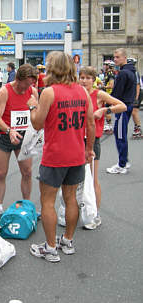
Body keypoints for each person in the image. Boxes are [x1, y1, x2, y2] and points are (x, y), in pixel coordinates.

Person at [28, 51, 95, 262]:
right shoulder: (83, 92)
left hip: (55, 155)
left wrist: (32, 105)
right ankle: (67, 241)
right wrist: (88, 149)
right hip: (76, 153)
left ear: (53, 68)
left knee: (47, 201)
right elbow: (91, 123)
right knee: (71, 198)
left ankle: (50, 247)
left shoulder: (49, 92)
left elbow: (37, 123)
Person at [79, 66, 126, 229]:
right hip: (76, 140)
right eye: (81, 77)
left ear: (94, 79)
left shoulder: (98, 94)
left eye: (87, 78)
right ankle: (74, 212)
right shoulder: (78, 92)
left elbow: (122, 106)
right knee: (74, 179)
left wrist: (104, 109)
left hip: (92, 140)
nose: (84, 81)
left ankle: (95, 213)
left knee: (92, 179)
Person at [0, 64, 38, 221]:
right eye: (26, 83)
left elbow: (36, 116)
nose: (28, 87)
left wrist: (34, 106)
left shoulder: (32, 92)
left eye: (31, 84)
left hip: (24, 136)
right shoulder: (5, 91)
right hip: (5, 135)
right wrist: (9, 130)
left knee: (27, 172)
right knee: (1, 173)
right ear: (19, 79)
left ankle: (27, 205)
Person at [106, 48, 136, 174]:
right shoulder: (131, 71)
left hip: (122, 106)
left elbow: (117, 93)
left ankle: (122, 164)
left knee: (120, 135)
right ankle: (124, 161)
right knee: (121, 134)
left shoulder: (123, 73)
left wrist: (107, 104)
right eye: (114, 57)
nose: (115, 59)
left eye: (117, 57)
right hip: (127, 105)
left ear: (124, 57)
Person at [127, 58, 142, 138]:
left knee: (134, 111)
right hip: (134, 93)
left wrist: (136, 98)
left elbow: (137, 85)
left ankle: (138, 129)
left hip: (138, 93)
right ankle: (137, 127)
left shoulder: (135, 72)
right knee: (133, 112)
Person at [103, 60, 116, 133]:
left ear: (109, 66)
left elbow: (111, 85)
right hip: (107, 94)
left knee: (107, 110)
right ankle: (109, 125)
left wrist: (102, 87)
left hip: (109, 94)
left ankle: (109, 126)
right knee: (106, 110)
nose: (104, 66)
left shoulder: (111, 74)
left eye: (105, 65)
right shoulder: (107, 74)